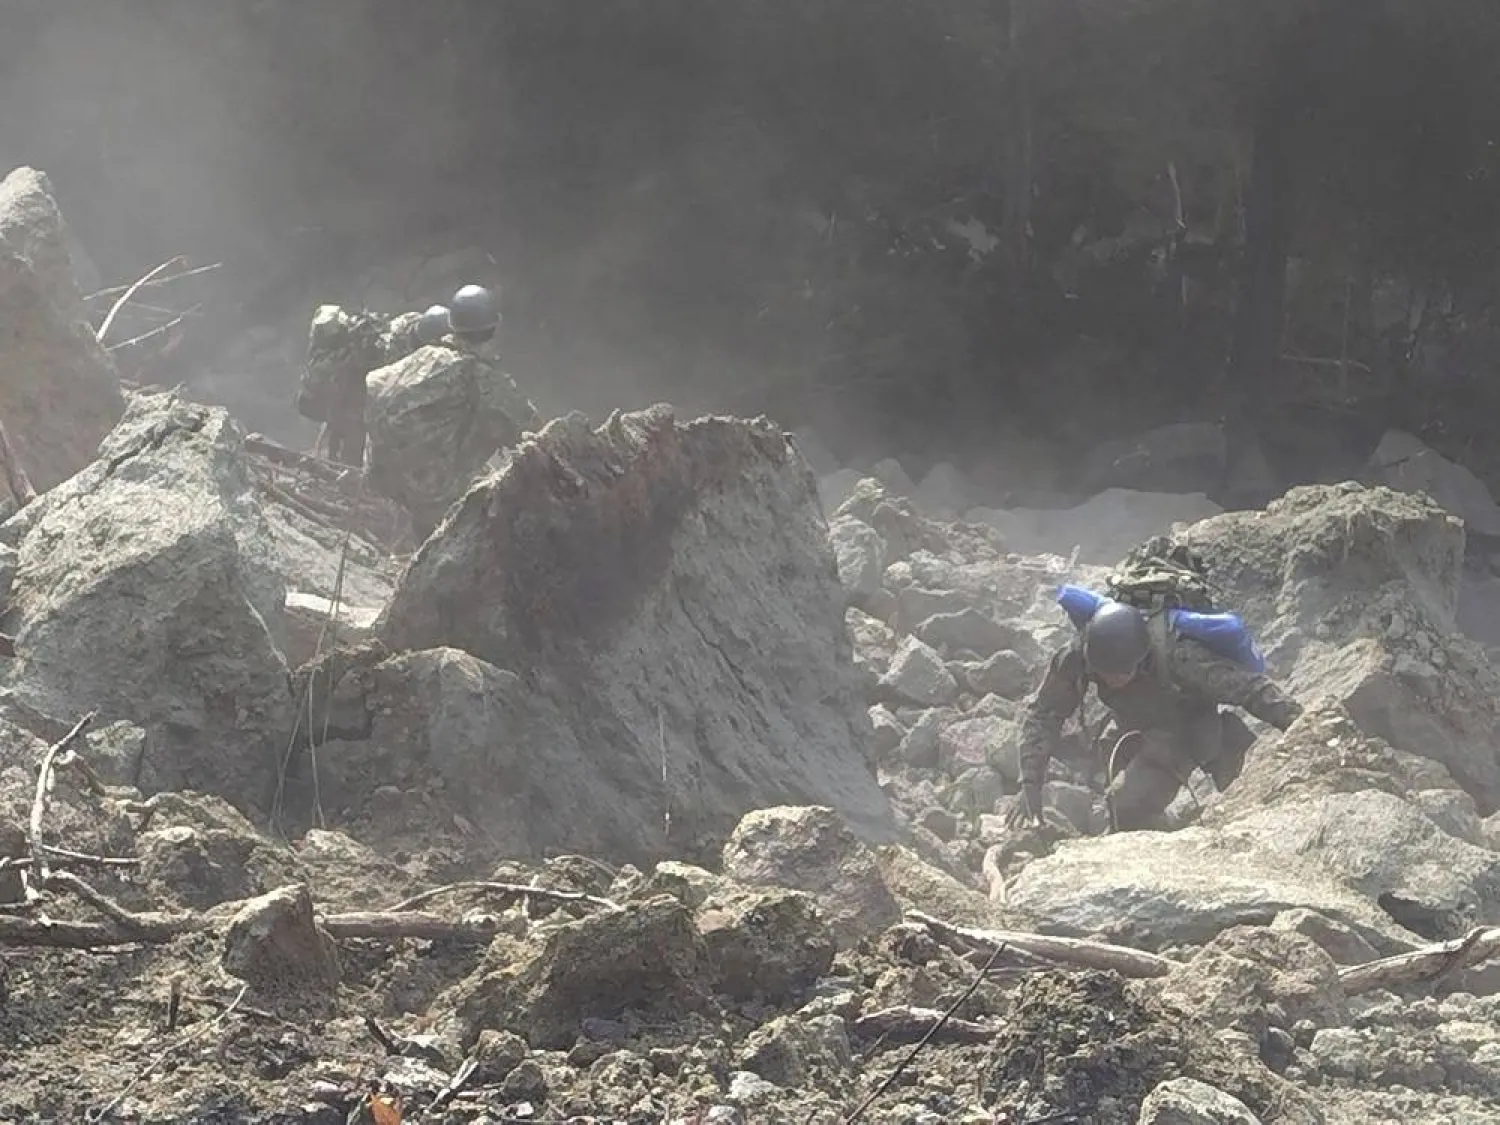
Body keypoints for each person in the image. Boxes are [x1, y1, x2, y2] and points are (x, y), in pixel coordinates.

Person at [1006, 539, 1303, 833]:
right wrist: (1030, 784)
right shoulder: (1080, 653)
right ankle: (1167, 840)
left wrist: (1304, 726)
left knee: (1249, 801)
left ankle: (1230, 745)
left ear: (1141, 657)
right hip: (1138, 726)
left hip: (1193, 725)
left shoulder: (1179, 655)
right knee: (1124, 808)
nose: (1111, 680)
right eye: (1104, 673)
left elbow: (1252, 689)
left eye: (1121, 673)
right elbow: (1044, 713)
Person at [363, 282, 541, 542]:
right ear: (495, 328)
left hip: (383, 475)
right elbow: (535, 430)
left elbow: (375, 385)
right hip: (432, 492)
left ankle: (418, 532)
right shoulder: (483, 379)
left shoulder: (425, 355)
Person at [295, 302, 453, 467]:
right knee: (354, 459)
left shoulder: (407, 323)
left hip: (352, 406)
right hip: (356, 412)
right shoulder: (396, 352)